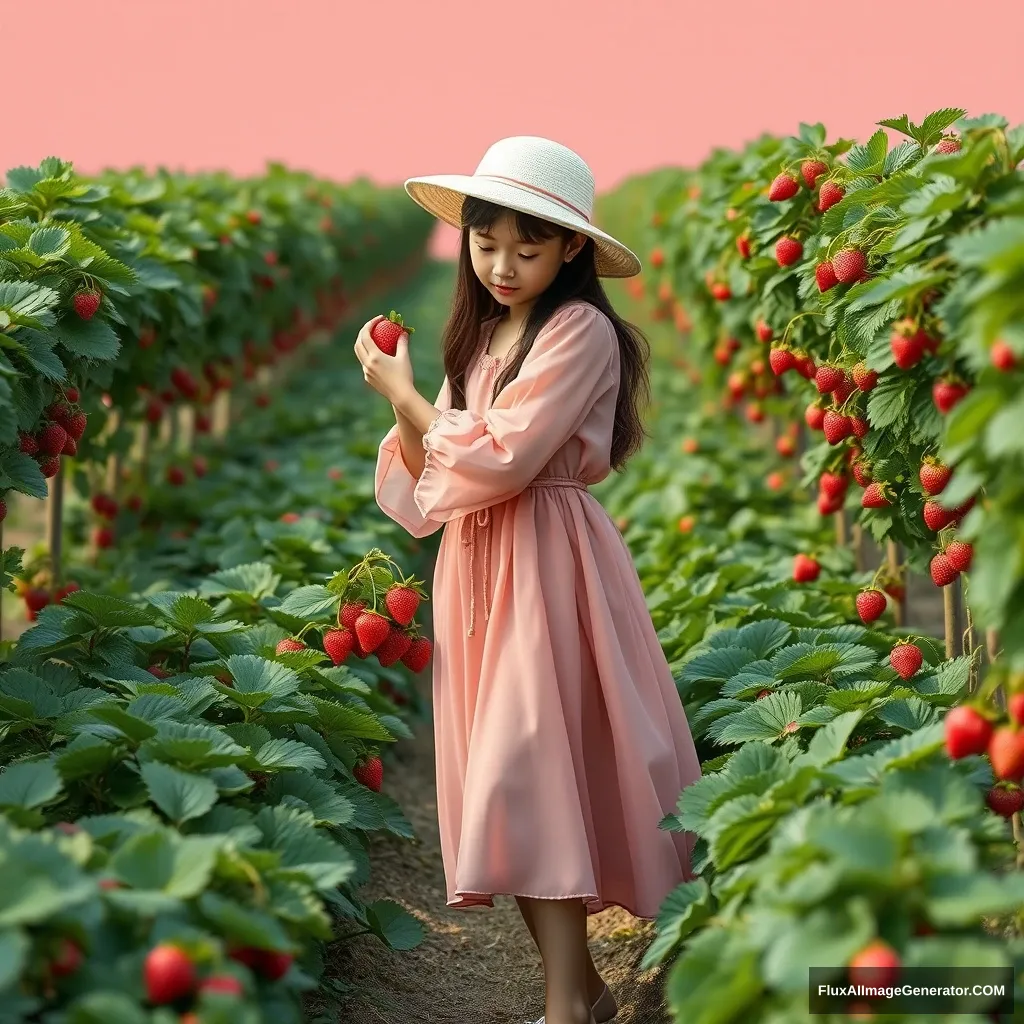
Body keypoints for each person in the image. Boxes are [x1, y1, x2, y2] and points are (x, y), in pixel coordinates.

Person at [355, 136, 702, 1024]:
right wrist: (405, 399)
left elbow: (502, 456)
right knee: (500, 778)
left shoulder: (581, 331)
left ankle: (562, 1011)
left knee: (531, 766)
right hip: (477, 560)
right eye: (486, 244)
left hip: (546, 559)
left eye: (529, 247)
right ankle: (581, 991)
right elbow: (431, 478)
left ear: (573, 249)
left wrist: (407, 396)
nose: (503, 266)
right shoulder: (482, 332)